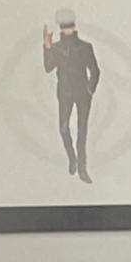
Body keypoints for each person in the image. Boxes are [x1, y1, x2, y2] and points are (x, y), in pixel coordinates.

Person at [41, 9, 102, 180]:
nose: (66, 29)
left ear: (72, 26)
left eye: (68, 26)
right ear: (61, 28)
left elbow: (95, 70)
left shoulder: (85, 47)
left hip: (83, 94)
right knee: (63, 128)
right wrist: (47, 46)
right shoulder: (56, 47)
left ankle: (82, 168)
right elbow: (48, 67)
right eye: (64, 26)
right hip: (64, 93)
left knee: (82, 131)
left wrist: (90, 89)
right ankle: (72, 159)